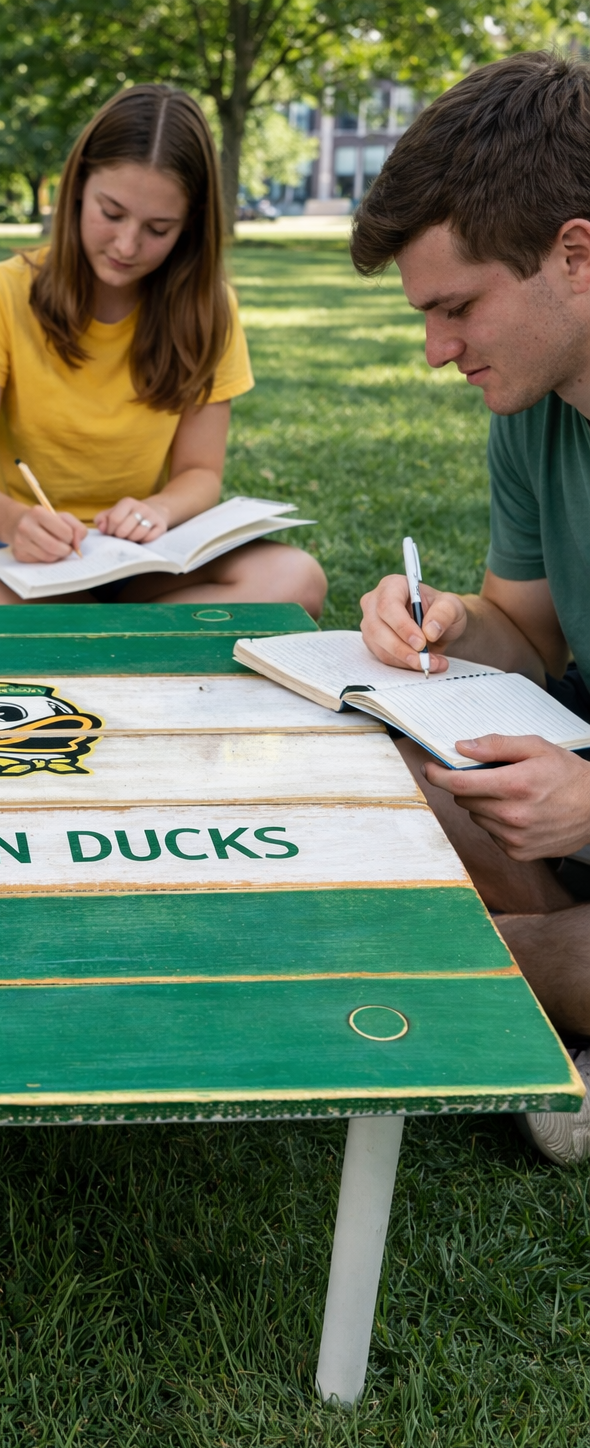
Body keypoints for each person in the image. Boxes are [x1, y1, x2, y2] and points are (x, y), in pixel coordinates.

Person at [351, 51, 590, 1165]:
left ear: (573, 255)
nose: (437, 350)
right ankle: (538, 978)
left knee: (418, 937)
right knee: (367, 756)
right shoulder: (533, 409)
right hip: (569, 781)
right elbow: (532, 638)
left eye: (455, 308)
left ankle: (511, 974)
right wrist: (445, 622)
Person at [0, 84, 326, 612]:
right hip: (19, 555)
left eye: (158, 229)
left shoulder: (210, 310)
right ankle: (137, 644)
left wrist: (158, 510)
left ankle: (96, 640)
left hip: (143, 556)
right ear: (77, 188)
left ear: (189, 228)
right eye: (111, 213)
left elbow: (200, 473)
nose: (126, 246)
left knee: (296, 580)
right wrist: (15, 522)